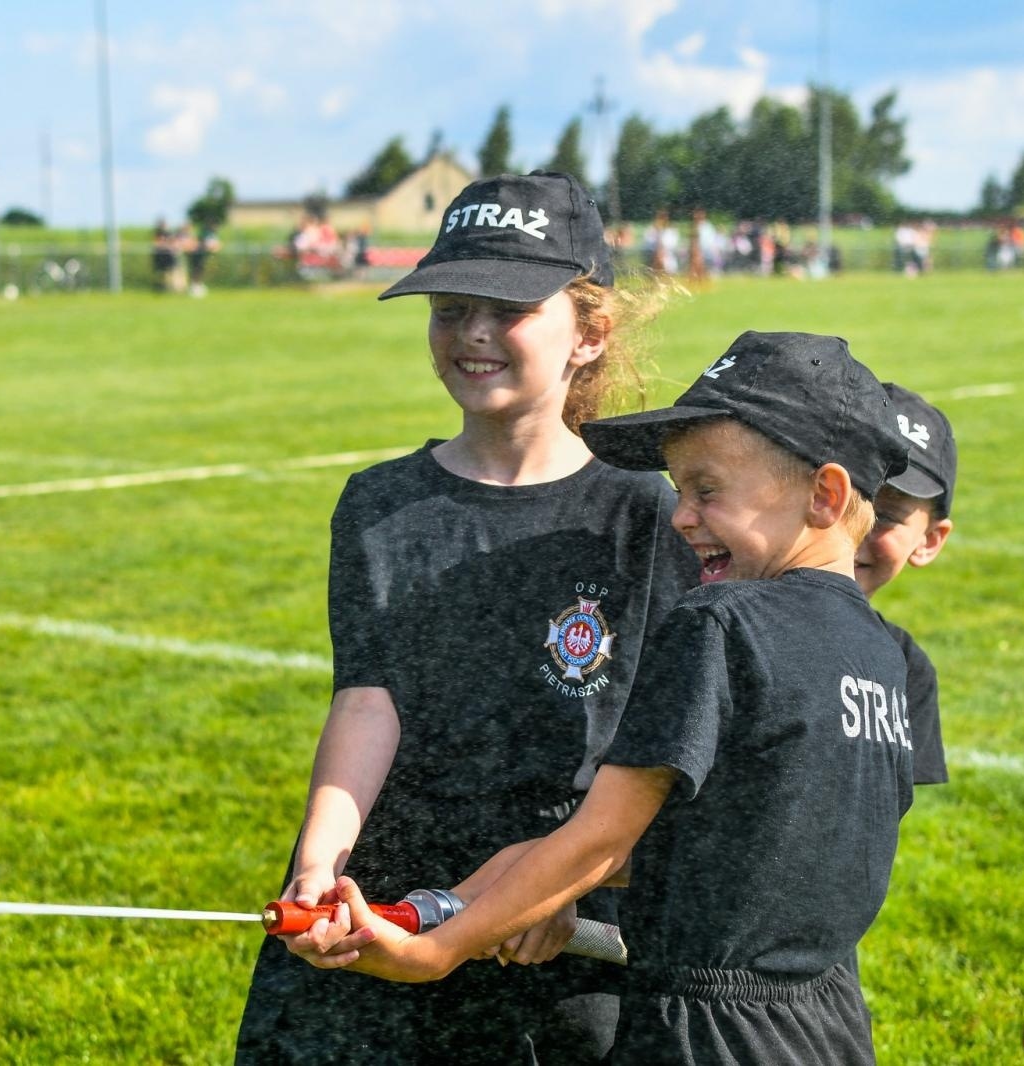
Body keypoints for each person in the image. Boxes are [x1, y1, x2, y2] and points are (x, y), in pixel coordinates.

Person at [306, 331, 916, 1065]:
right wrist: (488, 892)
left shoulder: (718, 624)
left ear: (824, 494)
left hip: (700, 1031)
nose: (681, 515)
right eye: (680, 488)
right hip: (827, 1022)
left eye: (707, 490)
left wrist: (438, 949)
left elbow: (602, 836)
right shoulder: (886, 655)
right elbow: (726, 844)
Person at [235, 171, 699, 1063]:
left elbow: (661, 749)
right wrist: (323, 864)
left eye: (509, 309)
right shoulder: (379, 504)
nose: (474, 333)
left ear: (589, 335)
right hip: (392, 887)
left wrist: (557, 887)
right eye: (451, 307)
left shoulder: (647, 512)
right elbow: (367, 699)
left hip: (562, 897)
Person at [856, 382, 956, 788]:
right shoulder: (722, 627)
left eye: (886, 515)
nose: (853, 526)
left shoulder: (905, 670)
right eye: (841, 495)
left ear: (929, 541)